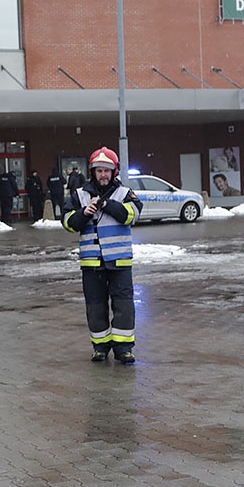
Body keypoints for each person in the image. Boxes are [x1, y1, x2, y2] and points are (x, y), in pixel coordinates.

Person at [62, 147, 142, 365]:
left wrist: (107, 205)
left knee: (123, 305)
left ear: (114, 172)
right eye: (99, 171)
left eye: (107, 171)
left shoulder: (124, 193)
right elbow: (67, 222)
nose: (103, 175)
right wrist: (82, 214)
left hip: (119, 261)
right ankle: (100, 347)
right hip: (92, 262)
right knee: (95, 307)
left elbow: (133, 215)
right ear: (93, 172)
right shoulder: (79, 195)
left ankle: (124, 349)